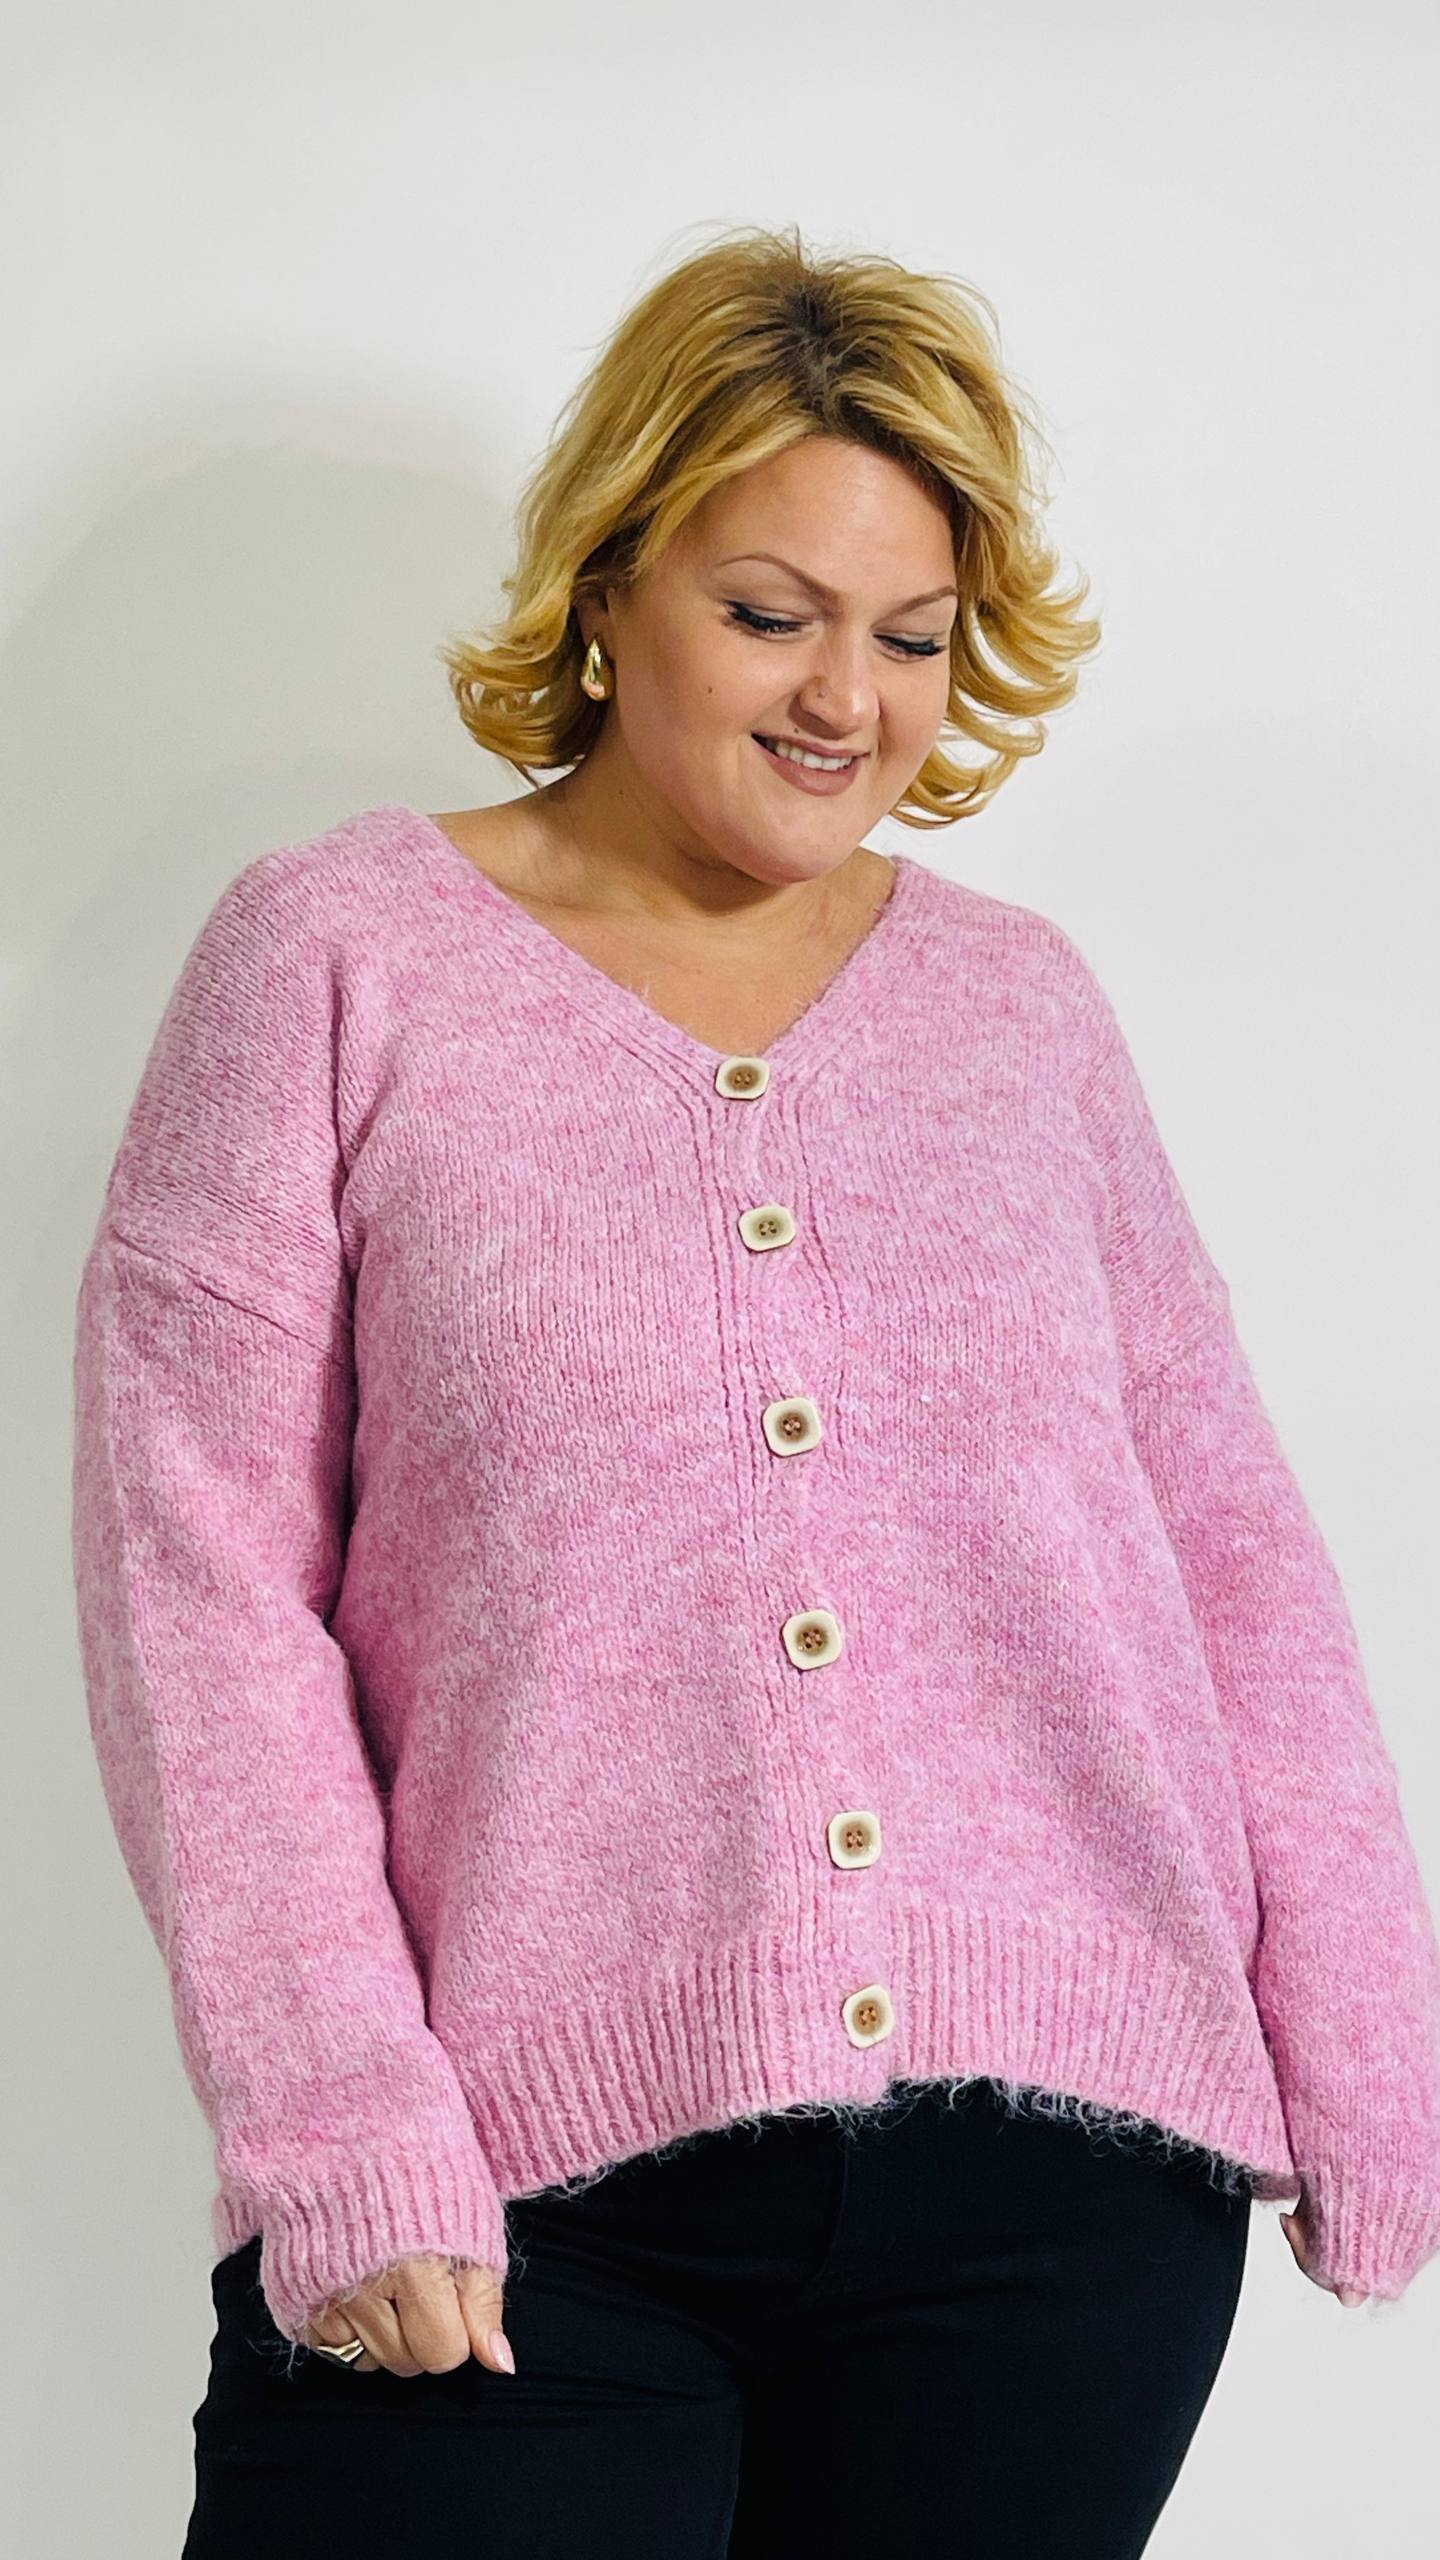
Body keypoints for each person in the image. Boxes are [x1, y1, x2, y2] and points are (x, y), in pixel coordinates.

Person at [70, 223, 1440, 2557]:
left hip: (1055, 2204)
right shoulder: (336, 958)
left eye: (913, 635)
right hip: (511, 2205)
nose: (848, 700)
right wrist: (336, 2116)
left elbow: (1229, 1545)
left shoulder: (1022, 1011)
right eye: (773, 612)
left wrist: (1369, 2026)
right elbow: (193, 1584)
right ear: (611, 585)